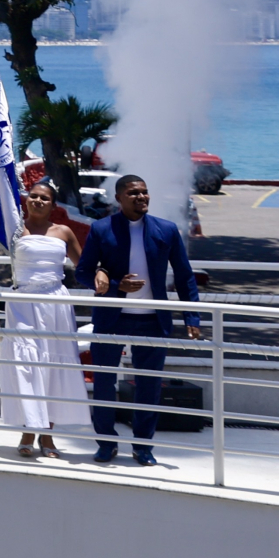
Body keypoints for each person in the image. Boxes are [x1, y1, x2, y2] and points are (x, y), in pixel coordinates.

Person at [69, 173, 203, 467]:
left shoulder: (166, 230)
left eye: (144, 192)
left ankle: (143, 446)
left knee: (149, 385)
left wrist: (192, 315)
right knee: (104, 383)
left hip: (153, 321)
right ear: (119, 198)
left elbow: (184, 276)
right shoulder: (102, 229)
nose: (141, 197)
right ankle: (106, 443)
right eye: (133, 193)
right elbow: (82, 273)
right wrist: (114, 283)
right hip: (111, 319)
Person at [2, 179, 90, 459]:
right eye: (33, 196)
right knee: (26, 365)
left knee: (52, 366)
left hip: (55, 304)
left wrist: (104, 276)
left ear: (53, 205)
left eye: (44, 198)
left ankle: (48, 436)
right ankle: (29, 431)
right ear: (26, 200)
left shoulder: (63, 231)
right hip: (22, 305)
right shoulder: (14, 229)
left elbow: (84, 267)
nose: (37, 201)